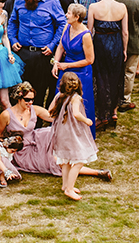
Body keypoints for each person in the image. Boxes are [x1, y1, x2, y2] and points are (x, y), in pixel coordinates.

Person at [0, 82, 112, 181]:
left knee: (55, 133)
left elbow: (52, 116)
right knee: (54, 161)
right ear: (19, 98)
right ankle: (97, 172)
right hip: (21, 150)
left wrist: (58, 98)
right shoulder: (6, 115)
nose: (30, 102)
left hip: (37, 140)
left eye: (32, 99)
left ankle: (76, 157)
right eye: (27, 100)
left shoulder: (34, 109)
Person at [8, 0, 67, 108]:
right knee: (20, 88)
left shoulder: (52, 2)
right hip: (22, 51)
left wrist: (52, 45)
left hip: (42, 53)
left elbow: (62, 24)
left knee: (39, 89)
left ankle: (37, 116)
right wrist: (13, 39)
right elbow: (13, 21)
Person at [49, 72, 98, 201]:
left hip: (61, 132)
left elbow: (49, 110)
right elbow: (76, 114)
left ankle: (65, 185)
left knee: (66, 160)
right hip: (72, 133)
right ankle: (69, 189)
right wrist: (86, 120)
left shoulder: (59, 96)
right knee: (79, 161)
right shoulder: (76, 98)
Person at [88, 0, 128, 130]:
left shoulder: (94, 7)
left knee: (100, 77)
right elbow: (125, 32)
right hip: (116, 42)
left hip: (100, 42)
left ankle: (102, 114)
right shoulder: (121, 7)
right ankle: (114, 111)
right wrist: (124, 49)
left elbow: (89, 30)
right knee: (115, 76)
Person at [51, 4, 95, 136]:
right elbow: (61, 46)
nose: (66, 15)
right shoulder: (67, 26)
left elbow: (90, 60)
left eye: (69, 13)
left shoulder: (85, 35)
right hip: (65, 69)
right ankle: (61, 129)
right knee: (61, 99)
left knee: (79, 103)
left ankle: (80, 134)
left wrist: (67, 65)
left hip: (81, 73)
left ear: (77, 17)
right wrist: (56, 62)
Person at [115, 0, 139, 112]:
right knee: (129, 72)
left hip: (116, 39)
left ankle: (114, 96)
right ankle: (125, 99)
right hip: (133, 40)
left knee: (116, 70)